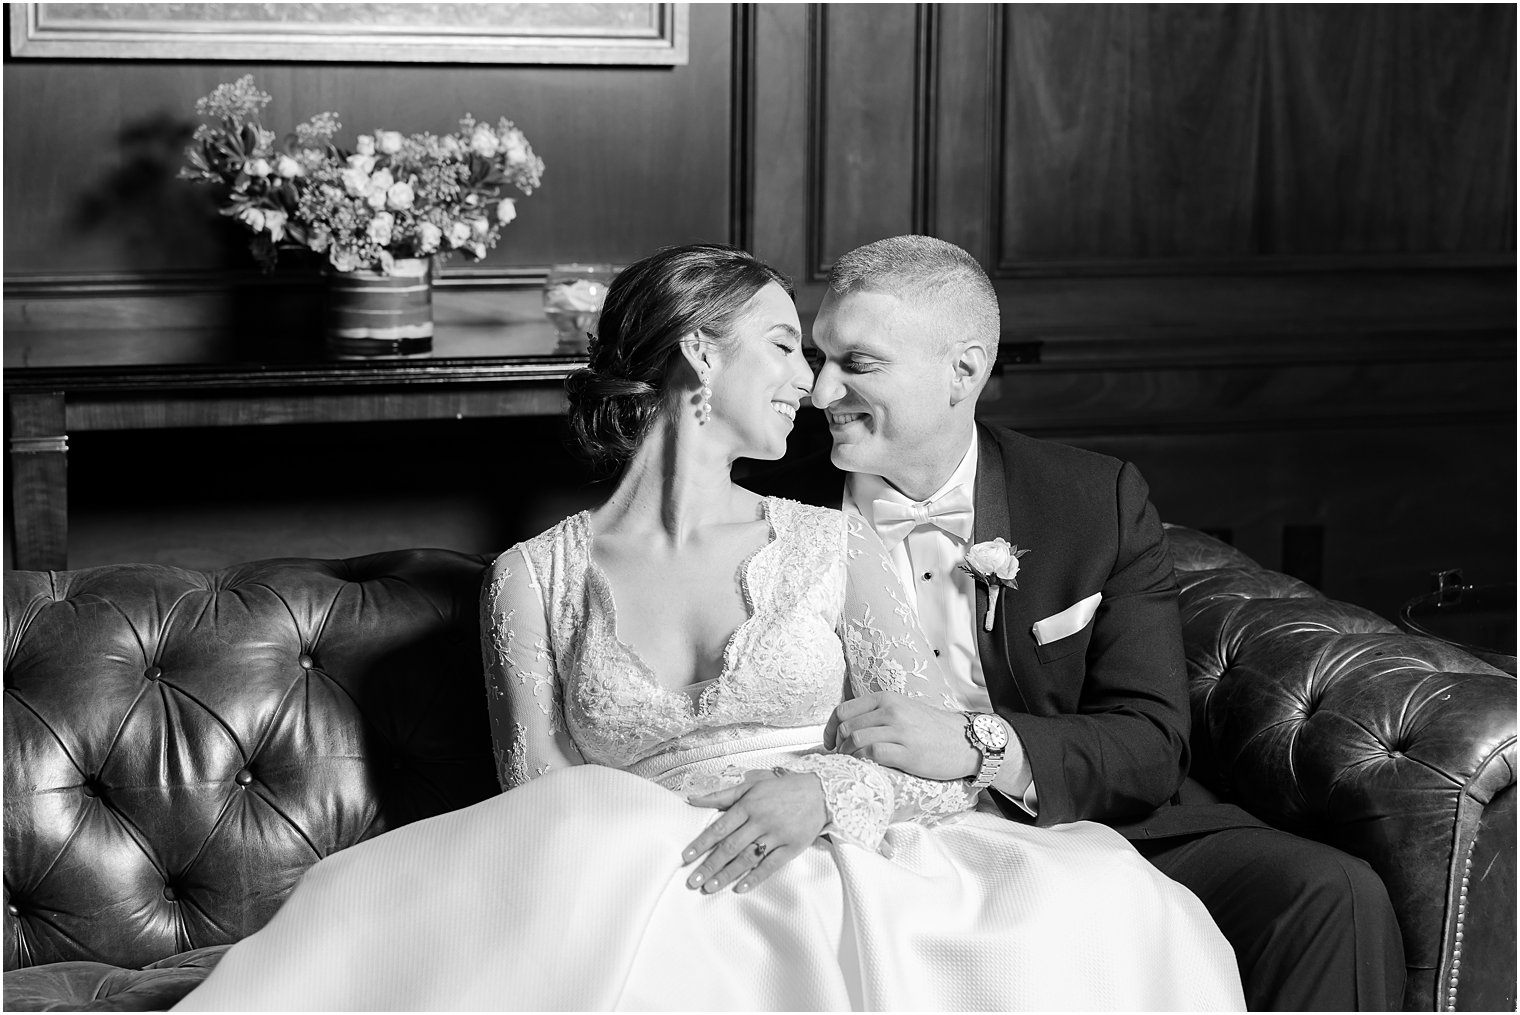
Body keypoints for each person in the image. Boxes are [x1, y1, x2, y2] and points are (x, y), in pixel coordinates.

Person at [174, 243, 1245, 1011]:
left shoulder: (832, 543)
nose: (809, 384)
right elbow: (538, 804)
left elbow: (935, 751)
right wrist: (683, 828)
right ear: (698, 356)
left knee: (1096, 905)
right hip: (633, 872)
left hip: (840, 851)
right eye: (785, 346)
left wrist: (822, 789)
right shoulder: (530, 579)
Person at [749, 233, 1406, 1011]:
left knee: (1332, 892)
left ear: (964, 370)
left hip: (1067, 809)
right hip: (868, 829)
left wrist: (975, 746)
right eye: (819, 357)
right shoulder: (760, 487)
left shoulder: (1093, 499)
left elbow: (1152, 740)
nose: (819, 392)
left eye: (856, 364)